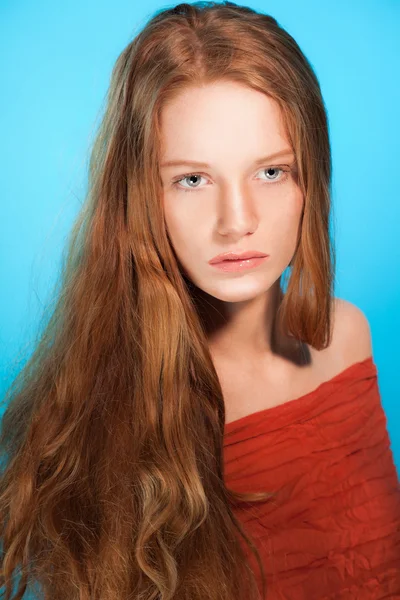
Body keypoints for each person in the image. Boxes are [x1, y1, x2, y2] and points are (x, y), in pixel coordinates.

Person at [0, 2, 399, 599]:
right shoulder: (109, 416)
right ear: (141, 197)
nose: (236, 222)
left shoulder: (347, 336)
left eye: (270, 172)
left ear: (310, 180)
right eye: (192, 179)